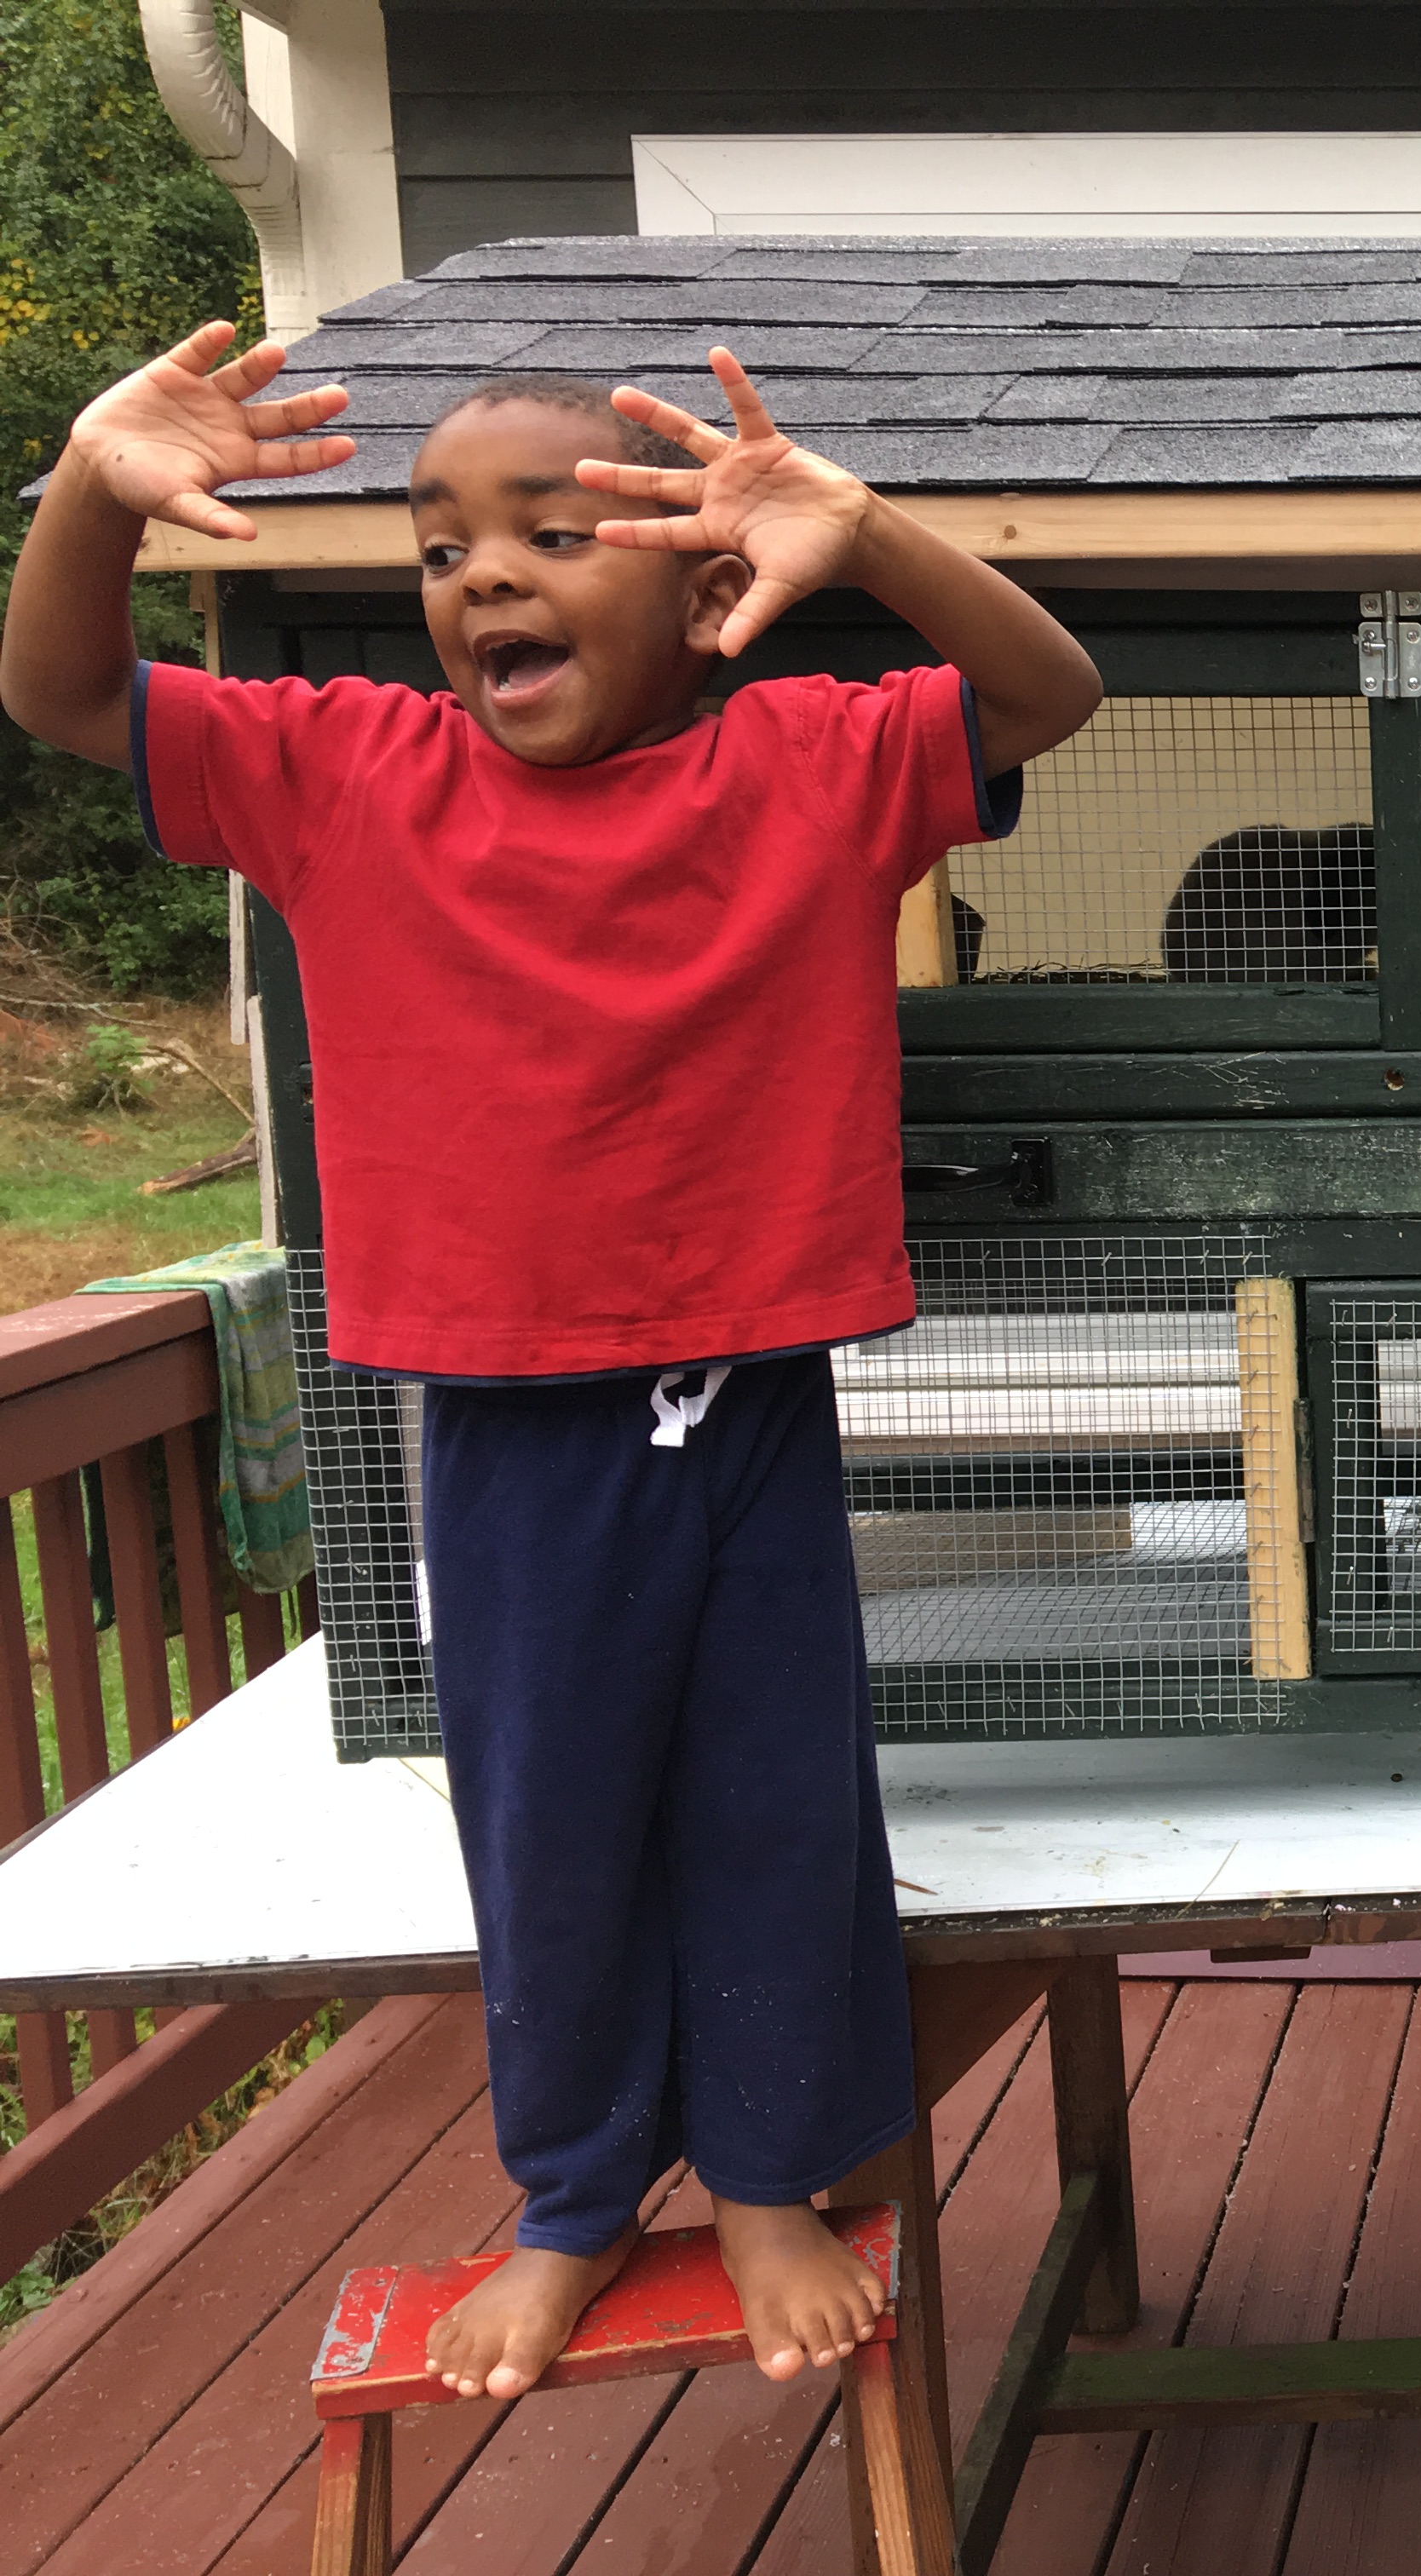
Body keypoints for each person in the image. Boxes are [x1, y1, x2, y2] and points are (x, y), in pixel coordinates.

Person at [0, 324, 1103, 2400]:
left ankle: (767, 2179)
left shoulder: (809, 763)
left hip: (750, 1392)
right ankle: (575, 2204)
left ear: (706, 592)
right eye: (441, 550)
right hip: (507, 1421)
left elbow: (1051, 692)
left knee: (777, 1805)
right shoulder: (346, 771)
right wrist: (89, 484)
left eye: (544, 536)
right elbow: (61, 695)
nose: (481, 576)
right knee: (552, 1823)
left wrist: (862, 532)